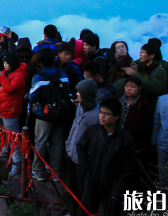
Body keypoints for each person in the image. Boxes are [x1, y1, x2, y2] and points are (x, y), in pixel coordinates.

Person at [76, 98, 136, 216]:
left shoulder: (125, 139)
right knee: (86, 212)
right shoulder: (93, 131)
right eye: (101, 112)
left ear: (117, 116)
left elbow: (129, 167)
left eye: (106, 113)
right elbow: (80, 146)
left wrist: (118, 186)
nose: (102, 116)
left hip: (111, 187)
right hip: (92, 182)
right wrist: (87, 169)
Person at [28, 47, 70, 182]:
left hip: (44, 114)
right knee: (57, 143)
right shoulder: (62, 75)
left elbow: (33, 97)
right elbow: (67, 93)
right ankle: (55, 173)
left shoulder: (39, 77)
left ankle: (38, 171)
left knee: (41, 141)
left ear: (39, 62)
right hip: (61, 113)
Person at [64, 79, 99, 213]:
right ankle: (72, 211)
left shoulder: (96, 115)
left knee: (81, 190)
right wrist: (68, 144)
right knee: (71, 187)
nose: (77, 94)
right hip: (70, 154)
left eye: (79, 92)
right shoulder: (79, 107)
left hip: (82, 160)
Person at [0, 52, 28, 177]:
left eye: (7, 63)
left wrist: (1, 75)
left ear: (13, 64)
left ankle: (17, 163)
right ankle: (5, 150)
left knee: (14, 137)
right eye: (4, 63)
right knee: (6, 133)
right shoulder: (9, 74)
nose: (4, 65)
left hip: (12, 110)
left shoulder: (19, 76)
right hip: (5, 108)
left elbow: (9, 88)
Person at [118, 76, 154, 190]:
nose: (129, 89)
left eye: (133, 87)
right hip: (118, 144)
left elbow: (146, 128)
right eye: (127, 86)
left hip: (136, 146)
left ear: (139, 89)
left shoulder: (143, 105)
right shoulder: (119, 101)